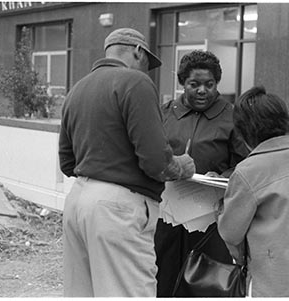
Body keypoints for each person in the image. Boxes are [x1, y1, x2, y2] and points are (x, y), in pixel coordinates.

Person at [58, 28, 196, 297]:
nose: (147, 71)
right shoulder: (135, 82)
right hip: (118, 208)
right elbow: (156, 162)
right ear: (138, 51)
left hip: (77, 203)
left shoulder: (78, 88)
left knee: (82, 293)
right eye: (147, 63)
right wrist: (181, 166)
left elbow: (67, 162)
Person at [217, 86, 289, 297]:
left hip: (276, 285)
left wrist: (219, 209)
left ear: (245, 132)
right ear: (284, 121)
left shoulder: (249, 170)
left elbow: (230, 232)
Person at [155, 50, 249, 297]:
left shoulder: (233, 117)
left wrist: (225, 175)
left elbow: (246, 163)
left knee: (205, 282)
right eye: (193, 84)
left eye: (209, 84)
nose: (202, 90)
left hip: (211, 218)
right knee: (164, 277)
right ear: (182, 84)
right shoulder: (164, 114)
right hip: (167, 216)